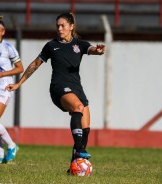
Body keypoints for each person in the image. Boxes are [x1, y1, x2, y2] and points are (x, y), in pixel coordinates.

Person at [6, 12, 105, 172]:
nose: (59, 28)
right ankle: (80, 151)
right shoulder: (51, 46)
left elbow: (92, 49)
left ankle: (74, 166)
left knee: (85, 128)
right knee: (78, 108)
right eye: (57, 25)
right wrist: (19, 83)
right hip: (59, 88)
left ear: (71, 27)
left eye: (62, 25)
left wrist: (98, 50)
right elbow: (35, 64)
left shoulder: (79, 44)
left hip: (77, 88)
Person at [0, 16, 23, 164]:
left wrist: (2, 74)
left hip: (4, 88)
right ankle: (0, 155)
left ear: (3, 32)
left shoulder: (8, 48)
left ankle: (12, 146)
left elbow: (20, 68)